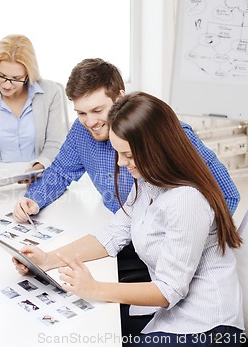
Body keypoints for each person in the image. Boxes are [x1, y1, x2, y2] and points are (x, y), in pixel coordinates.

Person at [13, 92, 244, 345]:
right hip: (170, 314)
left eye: (130, 156)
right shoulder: (147, 181)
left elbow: (169, 290)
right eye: (118, 153)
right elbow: (113, 233)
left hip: (206, 328)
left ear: (158, 149)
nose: (122, 164)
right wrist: (48, 259)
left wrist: (94, 288)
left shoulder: (186, 200)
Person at [14, 58, 239, 220]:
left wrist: (191, 239)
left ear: (120, 97)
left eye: (97, 110)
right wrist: (33, 200)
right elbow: (61, 171)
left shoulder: (170, 133)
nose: (90, 122)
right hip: (121, 231)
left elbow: (227, 196)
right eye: (81, 113)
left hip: (167, 242)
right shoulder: (81, 132)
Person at [0, 34, 65, 176]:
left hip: (40, 178)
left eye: (16, 79)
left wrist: (37, 170)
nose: (7, 85)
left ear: (28, 74)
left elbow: (54, 145)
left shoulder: (50, 92)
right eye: (1, 75)